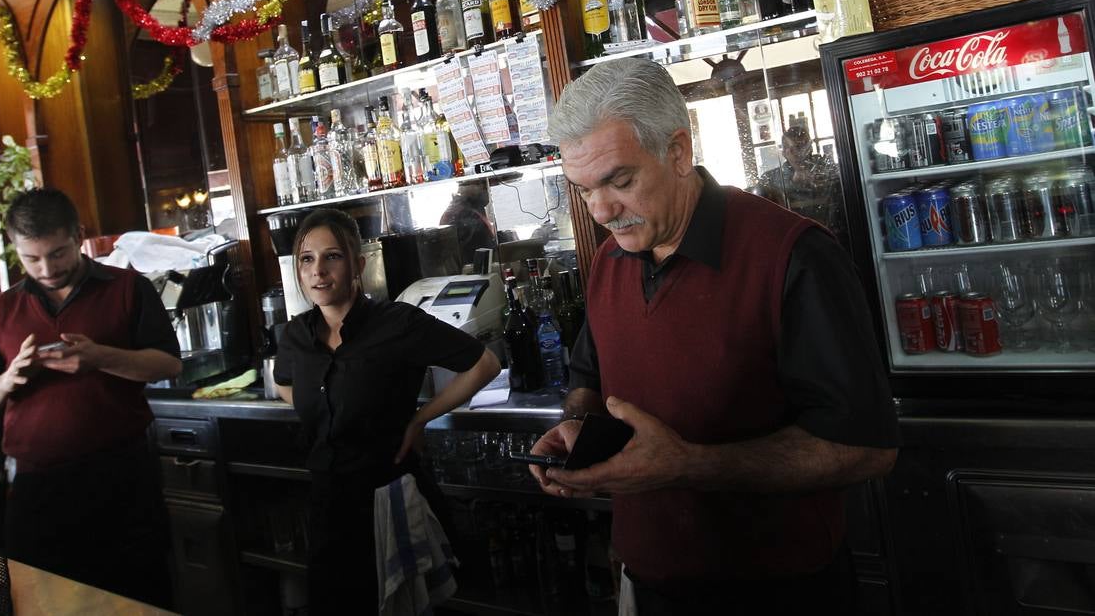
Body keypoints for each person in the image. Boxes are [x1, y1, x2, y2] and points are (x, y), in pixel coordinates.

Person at [530, 59, 899, 614]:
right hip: (647, 578)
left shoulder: (794, 256)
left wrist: (688, 464)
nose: (602, 211)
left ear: (678, 151)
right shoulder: (609, 261)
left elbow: (866, 449)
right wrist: (576, 430)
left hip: (779, 590)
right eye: (583, 190)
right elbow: (590, 377)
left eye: (620, 181)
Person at [0, 188, 181, 606]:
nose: (46, 269)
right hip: (37, 489)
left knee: (138, 600)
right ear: (15, 249)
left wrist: (100, 358)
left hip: (121, 479)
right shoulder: (0, 309)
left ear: (78, 235)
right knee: (46, 605)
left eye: (57, 253)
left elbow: (168, 365)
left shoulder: (127, 288)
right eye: (32, 258)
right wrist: (8, 380)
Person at [274, 208, 500, 615]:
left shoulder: (397, 323)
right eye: (307, 259)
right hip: (328, 506)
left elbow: (484, 364)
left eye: (332, 256)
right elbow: (283, 384)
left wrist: (420, 418)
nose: (318, 270)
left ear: (358, 265)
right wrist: (328, 408)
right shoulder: (295, 335)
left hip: (388, 500)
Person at [760, 123, 848, 244]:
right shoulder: (771, 178)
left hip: (831, 237)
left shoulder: (827, 170)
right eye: (796, 147)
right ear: (784, 152)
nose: (802, 153)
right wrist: (794, 181)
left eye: (805, 147)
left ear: (811, 148)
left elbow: (843, 196)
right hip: (794, 241)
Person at [440, 179, 497, 270]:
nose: (486, 189)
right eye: (480, 184)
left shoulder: (469, 208)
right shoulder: (462, 214)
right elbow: (476, 254)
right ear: (464, 187)